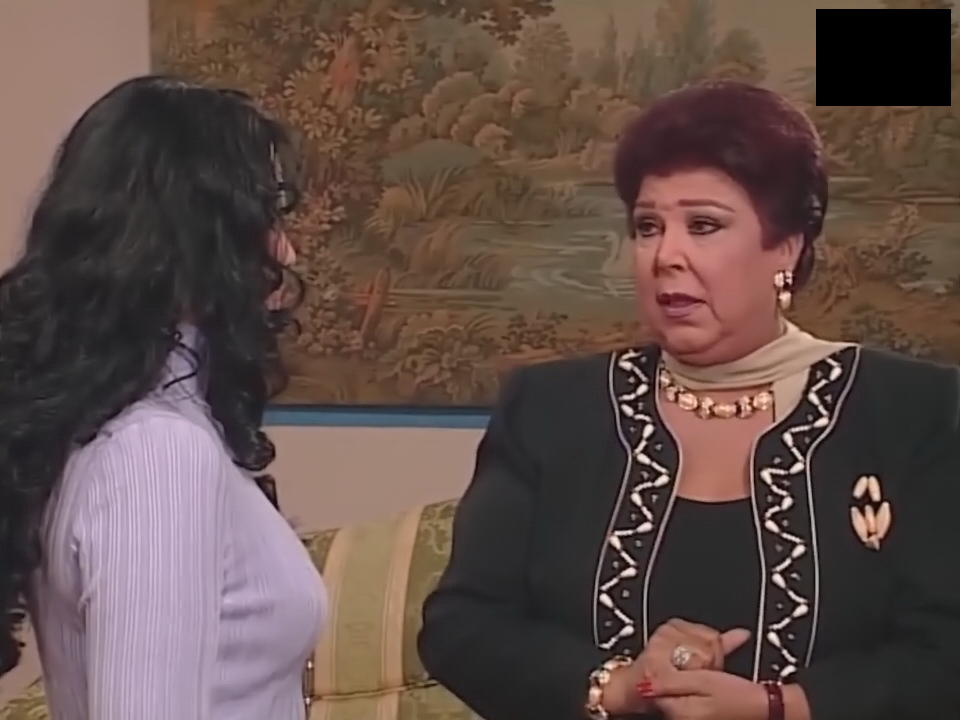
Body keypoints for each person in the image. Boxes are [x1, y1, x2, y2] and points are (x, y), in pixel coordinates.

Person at [417, 80, 960, 720]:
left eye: (704, 225)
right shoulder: (549, 409)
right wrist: (621, 687)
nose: (664, 255)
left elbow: (945, 651)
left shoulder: (915, 410)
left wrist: (780, 706)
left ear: (786, 246)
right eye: (648, 227)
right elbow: (462, 626)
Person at [0, 75, 326, 720]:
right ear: (197, 233)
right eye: (263, 217)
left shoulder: (134, 427)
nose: (286, 251)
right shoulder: (155, 453)